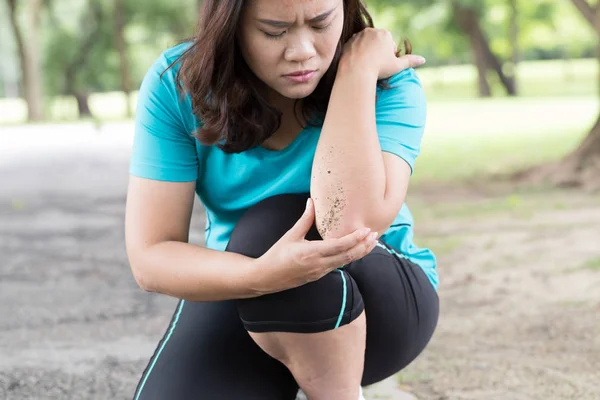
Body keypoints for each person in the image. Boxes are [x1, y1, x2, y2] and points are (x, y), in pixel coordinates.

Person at [125, 0, 439, 399]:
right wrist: (261, 277)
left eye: (322, 23)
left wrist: (354, 74)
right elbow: (151, 256)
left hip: (381, 304)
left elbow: (347, 224)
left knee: (275, 223)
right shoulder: (178, 83)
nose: (303, 51)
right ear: (230, 26)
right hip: (243, 288)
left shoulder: (387, 82)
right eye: (274, 31)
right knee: (261, 243)